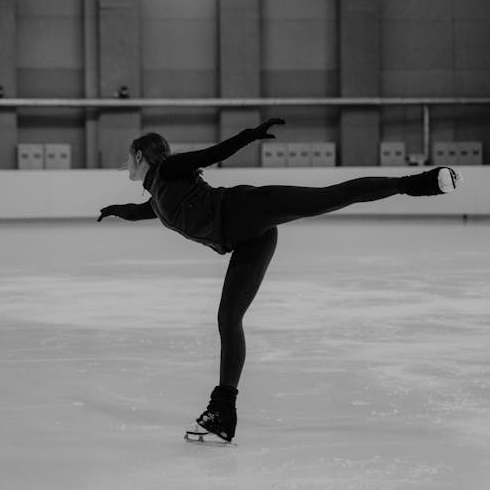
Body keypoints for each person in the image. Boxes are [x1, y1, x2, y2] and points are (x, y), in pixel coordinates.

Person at [97, 119, 462, 445]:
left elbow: (214, 152)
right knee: (228, 319)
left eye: (129, 157)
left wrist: (249, 136)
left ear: (140, 156)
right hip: (249, 239)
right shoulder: (158, 197)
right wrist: (113, 211)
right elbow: (140, 211)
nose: (125, 164)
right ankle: (222, 414)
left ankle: (420, 182)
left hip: (247, 208)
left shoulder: (171, 170)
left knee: (325, 198)